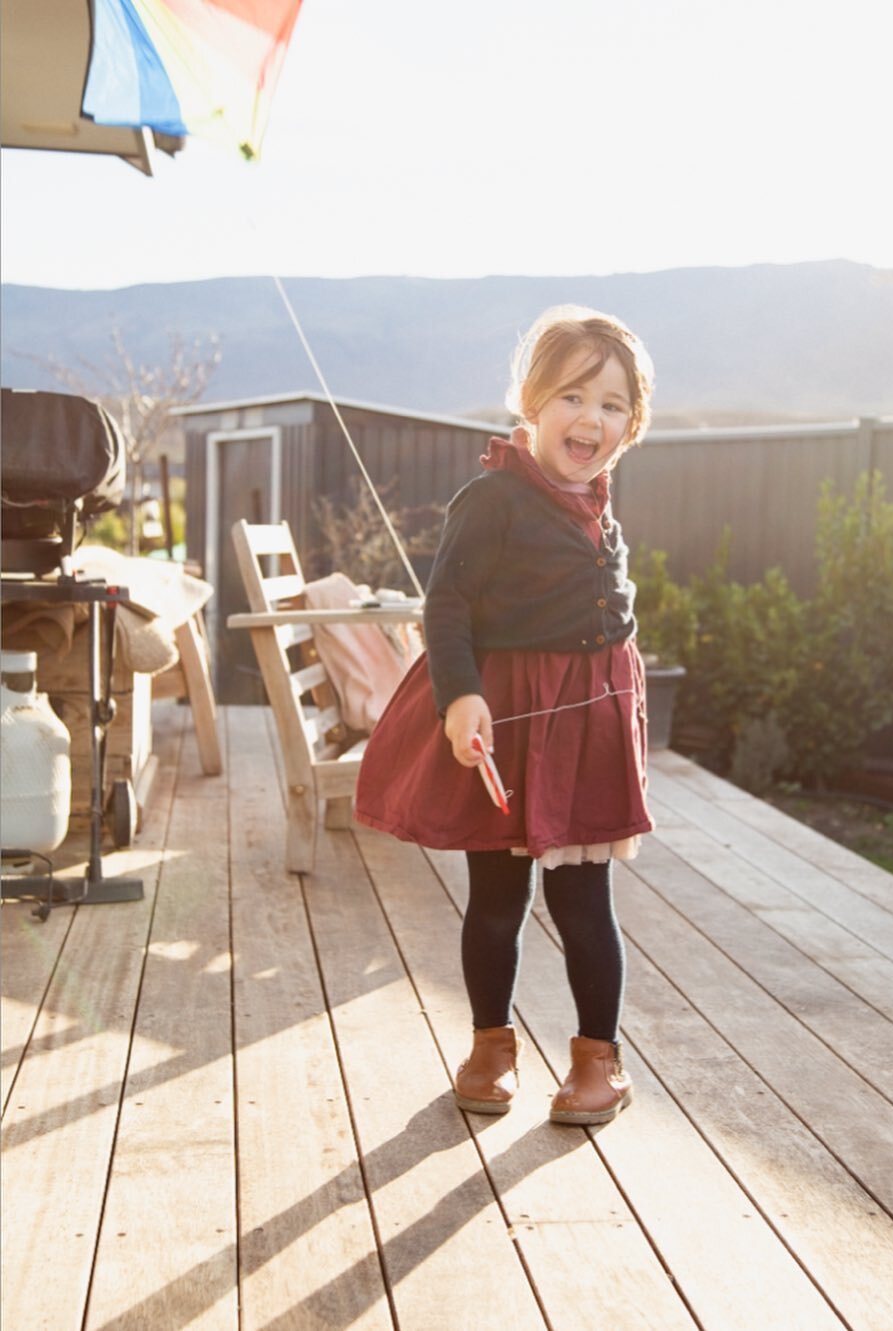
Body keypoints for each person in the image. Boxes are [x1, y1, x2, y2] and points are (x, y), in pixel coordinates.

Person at [355, 305, 655, 1125]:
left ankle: (598, 1061)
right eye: (572, 396)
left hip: (586, 727)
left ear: (631, 425)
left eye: (613, 404)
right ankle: (491, 1047)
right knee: (496, 897)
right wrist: (461, 697)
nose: (590, 418)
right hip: (511, 724)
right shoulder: (492, 498)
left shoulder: (597, 501)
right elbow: (446, 606)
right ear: (532, 402)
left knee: (584, 900)